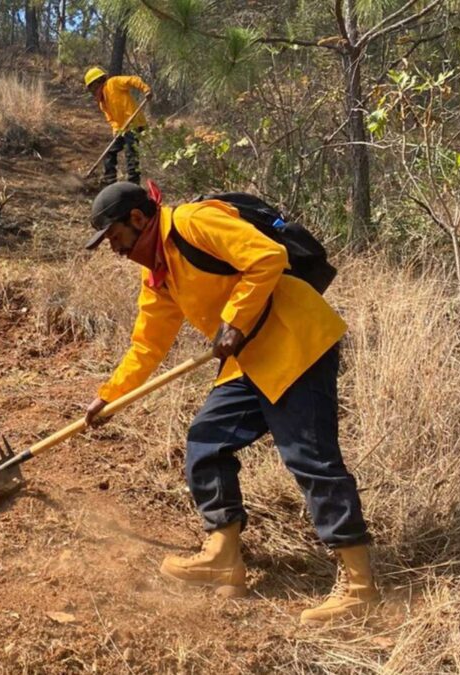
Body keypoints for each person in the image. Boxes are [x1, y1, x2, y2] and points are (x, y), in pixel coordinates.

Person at [83, 181, 378, 625]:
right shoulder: (159, 273)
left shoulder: (192, 223)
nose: (115, 250)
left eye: (115, 237)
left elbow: (267, 257)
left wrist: (234, 322)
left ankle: (359, 587)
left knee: (310, 458)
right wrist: (110, 397)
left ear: (139, 220)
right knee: (207, 440)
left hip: (296, 344)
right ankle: (223, 556)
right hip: (250, 362)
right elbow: (147, 343)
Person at [84, 66, 151, 187]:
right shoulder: (102, 102)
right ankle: (110, 180)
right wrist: (116, 129)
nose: (92, 91)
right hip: (122, 129)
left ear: (98, 81)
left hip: (134, 124)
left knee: (131, 153)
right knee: (110, 153)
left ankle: (133, 183)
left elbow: (132, 80)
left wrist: (145, 89)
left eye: (91, 87)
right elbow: (111, 119)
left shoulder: (113, 83)